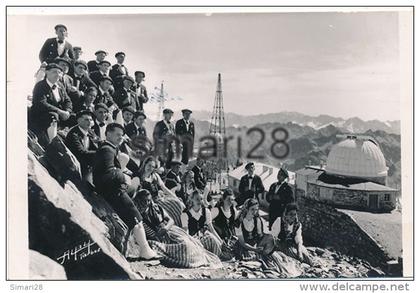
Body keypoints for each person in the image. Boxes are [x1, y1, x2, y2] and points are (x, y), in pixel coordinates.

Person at [92, 123, 158, 260]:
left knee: (135, 217)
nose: (120, 138)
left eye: (121, 135)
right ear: (108, 133)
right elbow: (108, 174)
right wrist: (125, 177)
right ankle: (145, 251)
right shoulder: (107, 150)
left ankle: (143, 249)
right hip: (113, 192)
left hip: (113, 190)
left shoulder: (111, 148)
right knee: (136, 218)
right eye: (117, 135)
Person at [132, 189, 222, 268]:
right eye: (144, 201)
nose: (147, 203)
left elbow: (171, 220)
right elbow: (146, 233)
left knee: (189, 243)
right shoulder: (139, 216)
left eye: (148, 200)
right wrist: (158, 235)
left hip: (171, 231)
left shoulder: (156, 208)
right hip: (159, 239)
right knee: (184, 247)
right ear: (139, 201)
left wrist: (166, 228)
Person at [233, 199, 299, 275]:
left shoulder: (257, 220)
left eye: (256, 210)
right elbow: (242, 242)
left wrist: (265, 243)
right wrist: (254, 249)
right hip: (244, 247)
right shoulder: (238, 222)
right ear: (246, 209)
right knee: (256, 261)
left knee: (274, 257)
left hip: (256, 245)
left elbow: (260, 236)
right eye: (252, 209)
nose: (254, 212)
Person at [30, 63, 73, 147]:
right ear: (47, 72)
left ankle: (71, 146)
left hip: (59, 115)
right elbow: (41, 103)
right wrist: (60, 111)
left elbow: (68, 101)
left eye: (59, 72)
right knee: (53, 116)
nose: (57, 74)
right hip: (41, 116)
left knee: (76, 118)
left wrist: (67, 111)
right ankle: (53, 145)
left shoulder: (60, 86)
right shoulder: (40, 86)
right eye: (54, 72)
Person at [138, 156, 185, 227]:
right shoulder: (140, 177)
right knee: (173, 207)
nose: (150, 168)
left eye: (152, 167)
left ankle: (178, 226)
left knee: (178, 204)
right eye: (149, 165)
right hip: (149, 203)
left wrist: (175, 197)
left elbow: (164, 188)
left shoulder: (155, 176)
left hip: (159, 199)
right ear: (145, 164)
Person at [181, 190, 223, 256]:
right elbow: (185, 232)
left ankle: (215, 256)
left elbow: (211, 229)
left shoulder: (206, 211)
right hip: (192, 238)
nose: (199, 201)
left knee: (213, 239)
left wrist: (220, 241)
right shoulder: (185, 214)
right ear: (192, 200)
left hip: (204, 235)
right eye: (197, 199)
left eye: (201, 199)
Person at [65, 110, 98, 182]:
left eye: (91, 120)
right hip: (76, 164)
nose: (89, 122)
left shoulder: (90, 132)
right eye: (86, 120)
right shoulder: (74, 134)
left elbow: (98, 143)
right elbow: (80, 153)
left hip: (87, 163)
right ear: (79, 121)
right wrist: (99, 153)